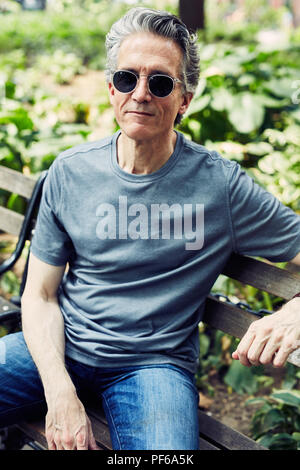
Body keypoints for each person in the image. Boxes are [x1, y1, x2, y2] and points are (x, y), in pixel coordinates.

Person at [0, 7, 300, 451]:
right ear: (110, 90)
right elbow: (41, 295)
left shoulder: (220, 185)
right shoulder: (70, 172)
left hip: (152, 369)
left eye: (160, 82)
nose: (141, 94)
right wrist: (59, 391)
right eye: (127, 78)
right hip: (58, 348)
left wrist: (295, 312)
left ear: (184, 101)